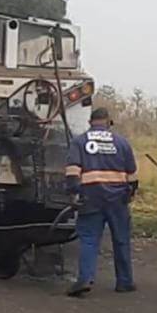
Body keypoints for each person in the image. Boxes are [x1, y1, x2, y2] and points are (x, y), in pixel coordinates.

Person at [64, 108, 138, 297]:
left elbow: (73, 171)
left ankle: (85, 279)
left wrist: (74, 193)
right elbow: (132, 175)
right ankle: (125, 282)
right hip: (118, 198)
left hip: (91, 197)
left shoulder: (79, 141)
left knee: (89, 240)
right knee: (121, 240)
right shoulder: (122, 142)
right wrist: (130, 194)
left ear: (90, 122)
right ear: (109, 122)